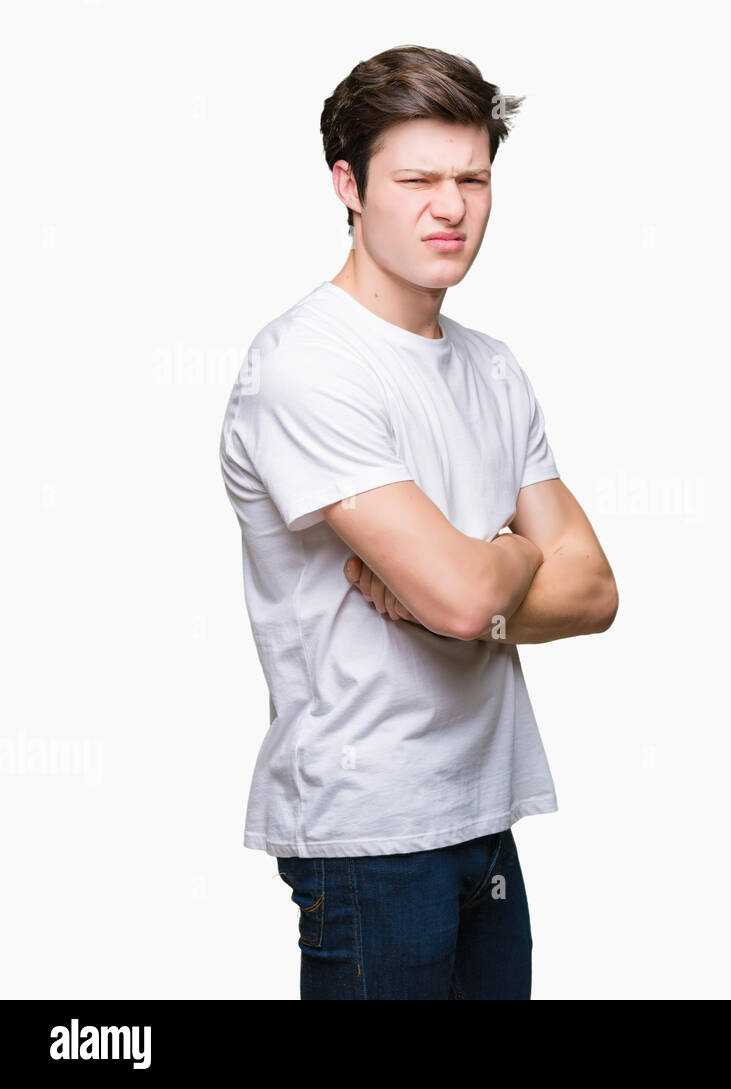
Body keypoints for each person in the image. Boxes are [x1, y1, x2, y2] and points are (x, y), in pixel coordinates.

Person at [217, 44, 618, 999]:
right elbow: (457, 595)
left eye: (473, 178)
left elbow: (596, 590)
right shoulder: (308, 365)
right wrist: (508, 560)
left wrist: (483, 571)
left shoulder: (492, 368)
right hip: (371, 833)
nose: (452, 206)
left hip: (483, 810)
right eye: (420, 179)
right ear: (349, 185)